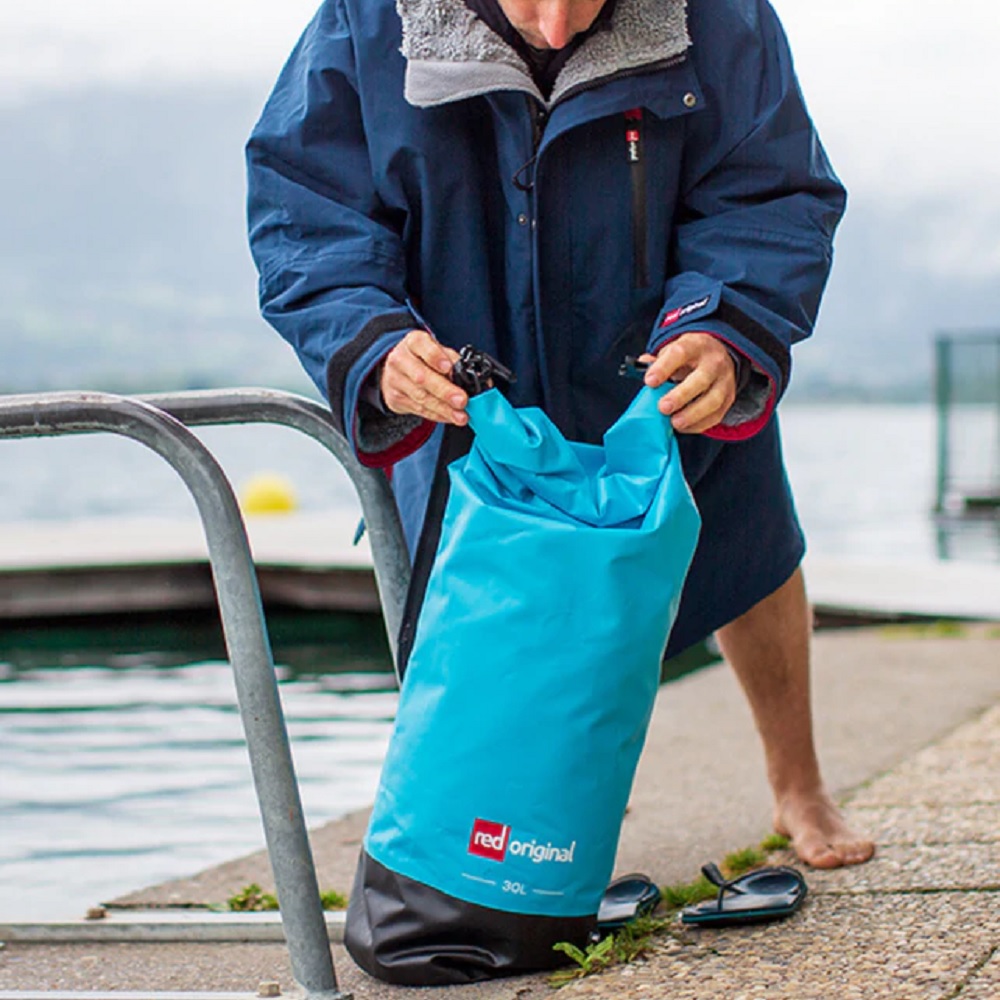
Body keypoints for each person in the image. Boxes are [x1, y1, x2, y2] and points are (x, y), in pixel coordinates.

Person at [247, 0, 875, 869]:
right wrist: (372, 340)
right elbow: (305, 206)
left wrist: (724, 324)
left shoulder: (725, 15)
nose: (553, 27)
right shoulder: (365, 17)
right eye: (531, 0)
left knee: (748, 534)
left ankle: (799, 785)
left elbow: (770, 191)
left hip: (660, 350)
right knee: (475, 596)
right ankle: (520, 822)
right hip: (464, 369)